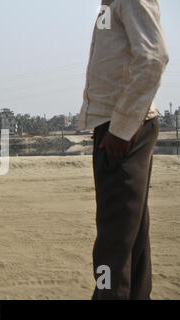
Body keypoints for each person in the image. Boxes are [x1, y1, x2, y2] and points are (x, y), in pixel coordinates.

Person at [78, 0, 169, 299]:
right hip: (116, 126)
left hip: (123, 129)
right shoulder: (109, 6)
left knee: (113, 241)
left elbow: (154, 58)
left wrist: (122, 127)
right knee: (131, 234)